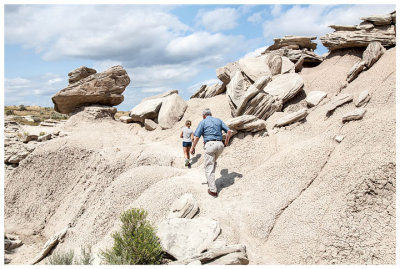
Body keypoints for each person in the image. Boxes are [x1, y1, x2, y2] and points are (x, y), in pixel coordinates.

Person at [190, 108, 231, 197]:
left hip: (210, 145)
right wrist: (226, 143)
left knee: (209, 167)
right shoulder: (218, 120)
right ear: (211, 114)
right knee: (212, 163)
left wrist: (193, 148)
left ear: (204, 115)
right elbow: (228, 131)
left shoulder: (203, 122)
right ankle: (211, 180)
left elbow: (196, 137)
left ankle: (212, 190)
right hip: (220, 145)